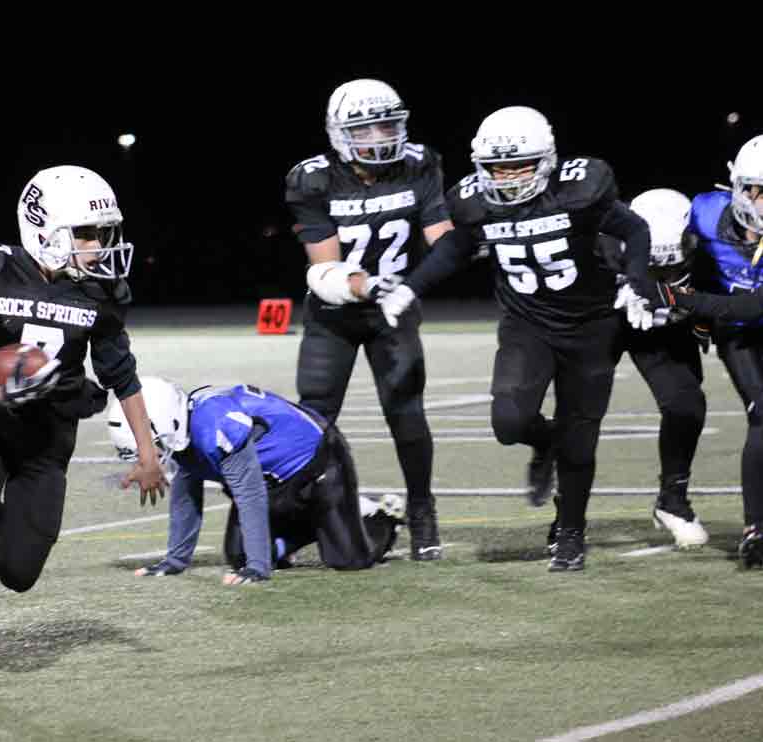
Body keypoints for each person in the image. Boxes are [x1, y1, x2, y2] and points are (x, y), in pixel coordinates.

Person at [379, 106, 655, 571]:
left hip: (592, 327)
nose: (506, 177)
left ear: (545, 160)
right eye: (496, 167)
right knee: (509, 421)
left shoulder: (579, 189)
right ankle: (544, 442)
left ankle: (570, 531)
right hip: (528, 324)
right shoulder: (474, 202)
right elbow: (456, 247)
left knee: (581, 439)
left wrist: (636, 281)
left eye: (518, 165)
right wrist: (410, 288)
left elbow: (635, 228)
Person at [0, 165, 163, 693]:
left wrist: (147, 453)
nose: (98, 246)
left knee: (19, 574)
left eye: (103, 233)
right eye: (86, 233)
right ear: (44, 230)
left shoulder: (101, 292)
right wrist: (1, 394)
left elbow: (122, 377)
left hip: (48, 442)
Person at [285, 78, 459, 561]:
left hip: (395, 310)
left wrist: (471, 243)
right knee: (313, 420)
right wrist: (369, 286)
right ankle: (300, 514)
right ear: (339, 134)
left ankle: (422, 511)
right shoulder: (313, 179)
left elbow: (442, 237)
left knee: (407, 413)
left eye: (387, 125)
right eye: (364, 129)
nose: (379, 137)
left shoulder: (420, 163)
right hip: (334, 312)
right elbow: (324, 269)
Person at [107, 378, 405, 582]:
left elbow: (250, 495)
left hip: (318, 466)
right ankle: (317, 525)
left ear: (166, 424)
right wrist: (175, 561)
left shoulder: (214, 428)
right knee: (240, 556)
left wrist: (259, 569)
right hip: (271, 483)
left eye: (147, 447)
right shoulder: (183, 433)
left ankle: (382, 518)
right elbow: (186, 496)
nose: (146, 458)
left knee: (349, 560)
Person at [647, 135, 763, 566]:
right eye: (762, 191)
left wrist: (686, 302)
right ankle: (757, 530)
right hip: (738, 334)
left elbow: (752, 304)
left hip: (742, 313)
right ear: (741, 188)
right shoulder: (704, 212)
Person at [578, 188, 709, 550]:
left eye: (673, 266)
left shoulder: (705, 244)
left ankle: (672, 501)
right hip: (607, 320)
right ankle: (569, 514)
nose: (666, 274)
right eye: (655, 267)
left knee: (686, 404)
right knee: (581, 409)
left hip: (662, 331)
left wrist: (700, 320)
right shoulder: (598, 244)